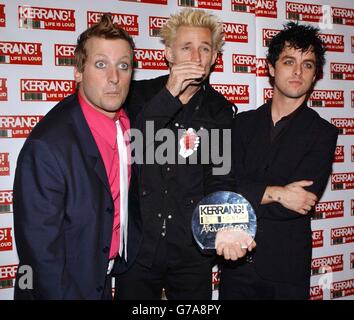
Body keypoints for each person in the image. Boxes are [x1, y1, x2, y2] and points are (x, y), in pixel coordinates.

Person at [116, 9, 253, 300]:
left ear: (214, 57)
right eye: (186, 48)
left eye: (205, 48)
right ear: (169, 54)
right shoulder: (138, 95)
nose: (196, 57)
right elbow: (135, 149)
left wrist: (227, 227)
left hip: (190, 251)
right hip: (139, 247)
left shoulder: (218, 109)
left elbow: (220, 177)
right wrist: (170, 93)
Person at [13, 14, 139, 299]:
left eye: (123, 65)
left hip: (100, 279)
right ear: (78, 71)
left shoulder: (126, 124)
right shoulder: (47, 145)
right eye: (100, 64)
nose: (114, 77)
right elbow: (41, 253)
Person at [219, 22, 338, 300]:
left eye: (307, 65)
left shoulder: (323, 134)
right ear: (272, 69)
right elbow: (223, 189)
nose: (297, 71)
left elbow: (300, 203)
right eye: (288, 61)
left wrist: (245, 196)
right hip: (234, 264)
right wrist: (279, 193)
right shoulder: (240, 124)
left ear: (315, 75)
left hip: (286, 270)